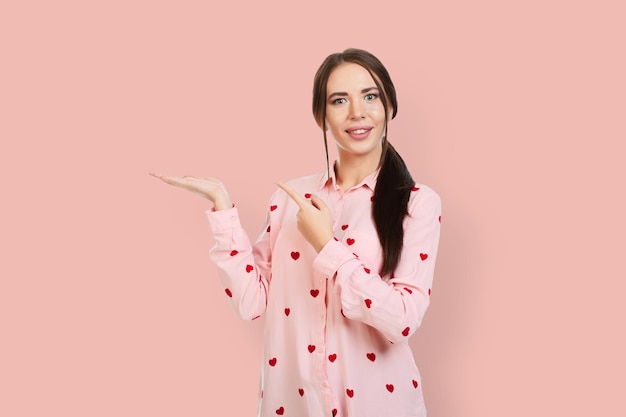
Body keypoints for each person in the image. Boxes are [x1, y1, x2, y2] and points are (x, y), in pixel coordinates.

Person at [151, 48, 441, 417]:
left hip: (379, 404)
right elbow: (250, 303)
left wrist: (326, 244)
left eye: (370, 96)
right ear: (321, 116)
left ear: (389, 106)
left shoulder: (417, 203)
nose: (357, 112)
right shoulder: (290, 198)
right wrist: (222, 207)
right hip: (294, 403)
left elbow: (403, 319)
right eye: (340, 100)